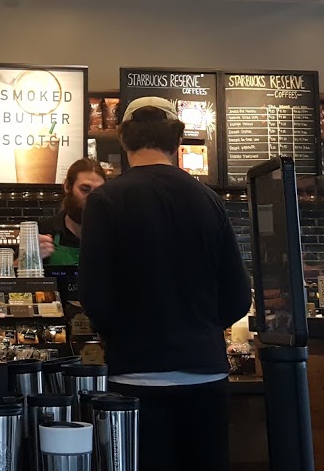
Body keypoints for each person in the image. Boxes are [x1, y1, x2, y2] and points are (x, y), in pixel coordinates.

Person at [78, 97, 252, 470]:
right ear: (178, 140)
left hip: (136, 375)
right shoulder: (208, 199)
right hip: (205, 373)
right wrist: (199, 328)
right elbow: (238, 297)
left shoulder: (105, 200)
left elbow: (94, 295)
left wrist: (119, 333)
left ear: (123, 138)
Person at [38, 158, 106, 265]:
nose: (92, 199)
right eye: (85, 189)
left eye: (98, 192)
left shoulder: (113, 233)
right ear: (67, 187)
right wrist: (29, 257)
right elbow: (13, 271)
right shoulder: (44, 229)